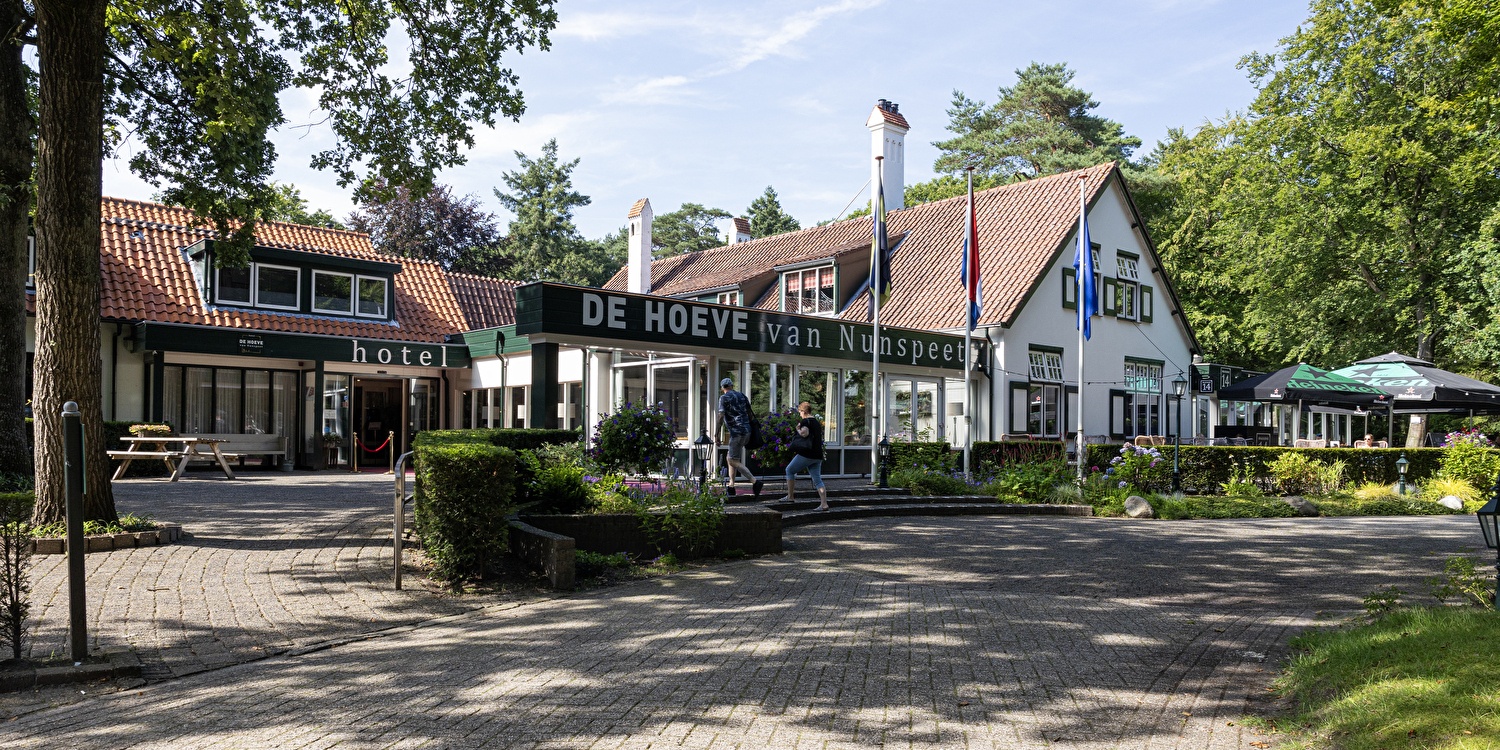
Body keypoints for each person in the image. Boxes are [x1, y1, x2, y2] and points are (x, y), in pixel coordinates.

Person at [717, 378, 762, 497]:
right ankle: (731, 486)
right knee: (731, 457)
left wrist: (716, 434)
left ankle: (755, 481)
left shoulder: (723, 398)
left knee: (732, 460)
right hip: (747, 431)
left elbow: (720, 416)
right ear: (731, 386)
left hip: (736, 432)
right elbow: (749, 413)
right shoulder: (742, 396)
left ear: (722, 388)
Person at [782, 401, 829, 510]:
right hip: (817, 455)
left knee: (789, 470)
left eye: (800, 412)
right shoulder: (816, 422)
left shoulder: (805, 421)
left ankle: (790, 496)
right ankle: (824, 504)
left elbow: (804, 433)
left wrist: (798, 429)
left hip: (807, 454)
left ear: (804, 411)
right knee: (817, 480)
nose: (800, 414)